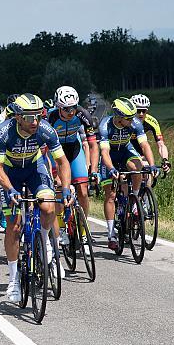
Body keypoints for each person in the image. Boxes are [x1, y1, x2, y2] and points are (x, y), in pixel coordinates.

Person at [0, 94, 73, 303]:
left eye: (38, 116)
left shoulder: (45, 129)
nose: (34, 122)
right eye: (29, 117)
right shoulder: (3, 132)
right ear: (18, 117)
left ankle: (45, 244)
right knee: (15, 225)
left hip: (35, 168)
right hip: (10, 174)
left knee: (47, 208)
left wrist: (65, 189)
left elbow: (62, 162)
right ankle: (13, 280)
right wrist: (9, 189)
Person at [98, 97, 158, 250]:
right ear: (118, 117)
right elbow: (104, 152)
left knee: (138, 167)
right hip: (110, 156)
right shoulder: (105, 125)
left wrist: (151, 165)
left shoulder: (135, 123)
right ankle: (111, 234)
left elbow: (144, 145)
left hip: (125, 151)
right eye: (129, 118)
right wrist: (111, 169)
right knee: (110, 195)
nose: (133, 120)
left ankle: (135, 200)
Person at [46, 86, 99, 242]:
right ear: (58, 107)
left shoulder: (84, 115)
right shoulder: (50, 118)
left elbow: (93, 145)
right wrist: (51, 173)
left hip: (73, 149)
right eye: (67, 109)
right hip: (54, 152)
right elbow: (43, 150)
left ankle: (82, 230)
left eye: (74, 108)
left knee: (83, 189)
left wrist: (94, 170)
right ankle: (61, 228)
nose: (71, 112)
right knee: (59, 188)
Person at [130, 94, 172, 174]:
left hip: (140, 148)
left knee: (147, 171)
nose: (141, 114)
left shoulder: (152, 121)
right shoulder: (126, 121)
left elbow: (161, 145)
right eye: (138, 111)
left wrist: (165, 160)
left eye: (144, 111)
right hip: (126, 148)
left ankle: (147, 186)